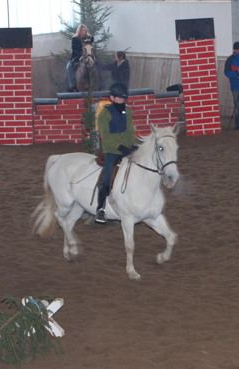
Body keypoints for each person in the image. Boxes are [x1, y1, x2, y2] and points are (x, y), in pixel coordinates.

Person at [95, 82, 137, 224]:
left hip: (126, 148)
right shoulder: (105, 114)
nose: (122, 101)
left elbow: (130, 131)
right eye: (119, 98)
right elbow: (106, 137)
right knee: (106, 179)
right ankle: (100, 209)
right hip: (111, 151)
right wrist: (120, 147)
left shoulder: (128, 111)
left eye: (123, 98)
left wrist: (131, 145)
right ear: (112, 98)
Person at [67, 24, 94, 91]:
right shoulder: (75, 38)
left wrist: (89, 55)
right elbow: (74, 49)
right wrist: (81, 55)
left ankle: (99, 82)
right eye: (81, 30)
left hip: (88, 55)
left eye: (84, 30)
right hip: (77, 56)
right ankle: (72, 84)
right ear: (79, 31)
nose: (83, 32)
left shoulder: (89, 37)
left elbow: (91, 47)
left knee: (97, 65)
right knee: (70, 67)